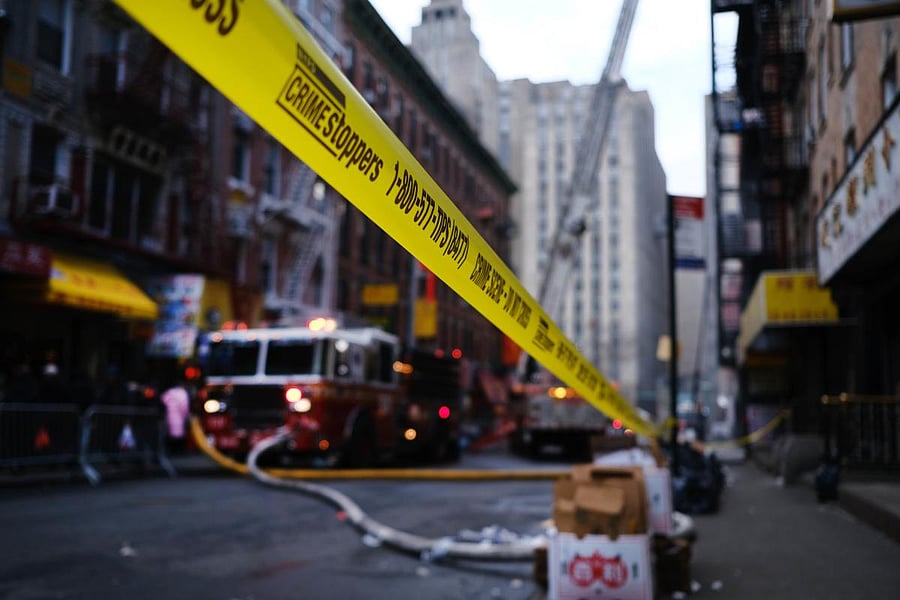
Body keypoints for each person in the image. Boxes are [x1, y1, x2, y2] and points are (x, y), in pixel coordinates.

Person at [160, 378, 191, 454]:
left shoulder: (169, 392)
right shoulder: (182, 393)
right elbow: (184, 406)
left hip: (169, 415)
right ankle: (179, 451)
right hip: (179, 416)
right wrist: (187, 415)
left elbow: (163, 399)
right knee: (179, 434)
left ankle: (171, 451)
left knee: (170, 433)